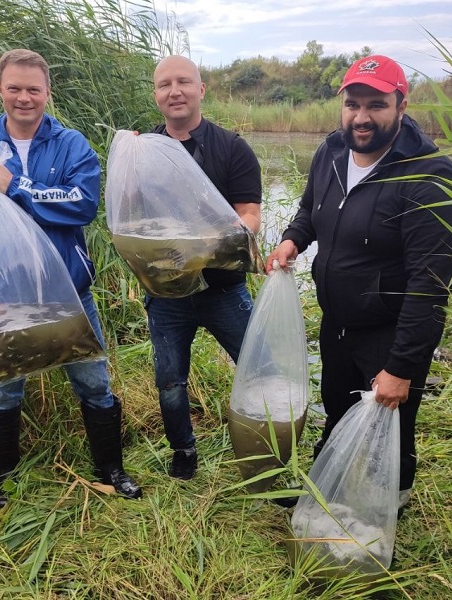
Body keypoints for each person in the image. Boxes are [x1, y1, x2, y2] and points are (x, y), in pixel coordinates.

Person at [0, 49, 142, 508]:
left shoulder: (72, 145)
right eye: (15, 88)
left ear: (47, 93)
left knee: (94, 381)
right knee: (3, 387)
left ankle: (111, 470)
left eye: (34, 89)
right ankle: (5, 481)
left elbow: (83, 203)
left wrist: (16, 186)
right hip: (3, 300)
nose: (24, 98)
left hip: (70, 292)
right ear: (0, 89)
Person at [266, 55, 452, 510]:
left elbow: (429, 287)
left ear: (401, 104)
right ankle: (326, 490)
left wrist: (401, 369)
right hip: (337, 320)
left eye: (376, 105)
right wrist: (292, 241)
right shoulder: (331, 152)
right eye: (352, 104)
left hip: (389, 331)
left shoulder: (430, 178)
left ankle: (387, 510)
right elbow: (309, 210)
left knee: (391, 431)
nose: (361, 117)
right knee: (336, 406)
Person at [147, 55, 263, 480]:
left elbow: (250, 214)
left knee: (256, 368)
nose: (174, 91)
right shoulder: (145, 152)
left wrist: (221, 235)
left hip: (223, 290)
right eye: (164, 84)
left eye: (183, 82)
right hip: (166, 293)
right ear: (156, 94)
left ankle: (262, 449)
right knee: (170, 381)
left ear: (201, 89)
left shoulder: (232, 148)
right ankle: (184, 453)